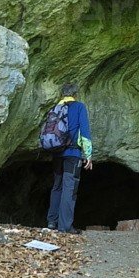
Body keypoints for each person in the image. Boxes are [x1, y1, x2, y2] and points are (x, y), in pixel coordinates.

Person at [47, 83, 93, 234]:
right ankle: (65, 226)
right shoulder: (79, 107)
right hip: (72, 154)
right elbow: (85, 131)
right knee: (69, 188)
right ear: (75, 94)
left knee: (57, 186)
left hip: (57, 153)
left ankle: (52, 222)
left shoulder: (56, 108)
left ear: (62, 94)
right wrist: (88, 155)